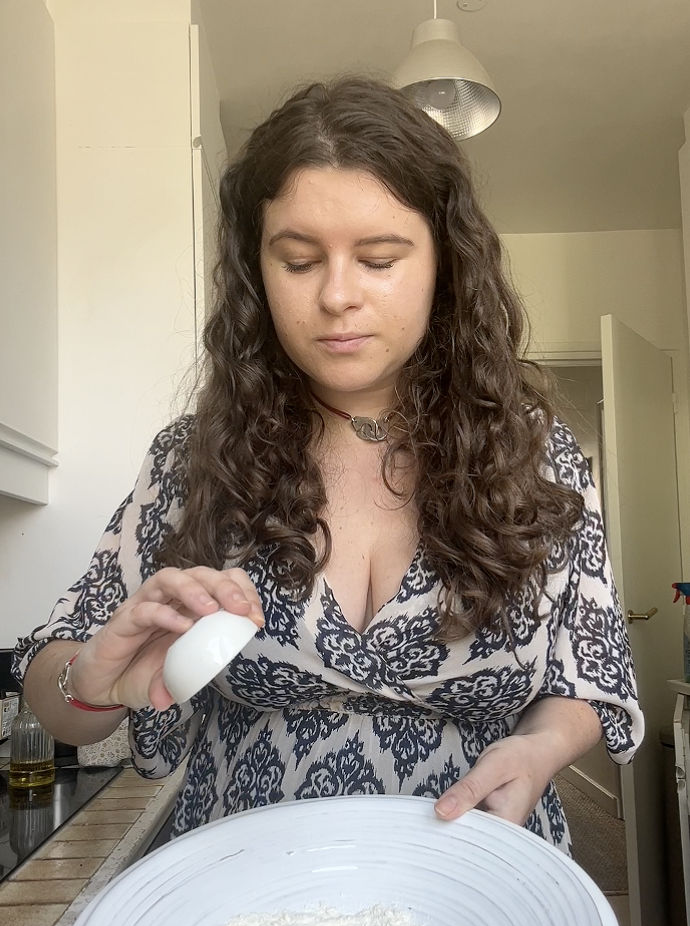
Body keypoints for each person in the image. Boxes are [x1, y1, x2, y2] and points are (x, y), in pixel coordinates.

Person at [13, 78, 642, 851]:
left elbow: (586, 676)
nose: (337, 296)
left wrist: (543, 747)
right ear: (258, 272)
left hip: (484, 879)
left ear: (444, 266)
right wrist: (93, 679)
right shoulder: (195, 458)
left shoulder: (536, 457)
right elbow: (58, 682)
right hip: (241, 898)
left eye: (379, 259)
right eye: (300, 261)